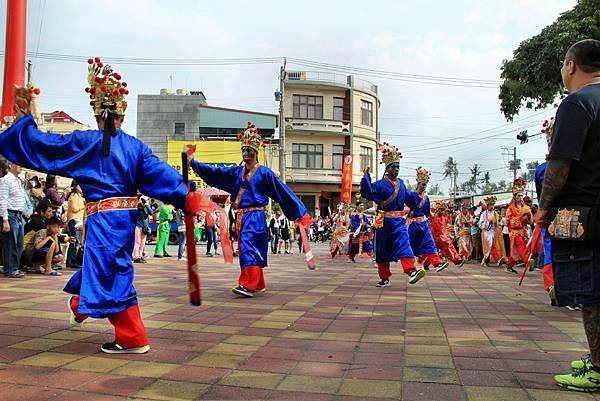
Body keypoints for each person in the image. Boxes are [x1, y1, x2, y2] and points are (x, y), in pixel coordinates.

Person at [0, 58, 194, 354]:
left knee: (112, 271)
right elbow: (164, 177)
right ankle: (80, 305)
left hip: (104, 221)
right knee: (105, 265)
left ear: (97, 112)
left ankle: (132, 337)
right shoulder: (135, 147)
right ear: (122, 115)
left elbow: (43, 147)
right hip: (125, 221)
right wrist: (190, 197)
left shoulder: (86, 141)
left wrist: (25, 118)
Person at [531, 39, 600, 391]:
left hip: (588, 214)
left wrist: (542, 209)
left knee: (592, 294)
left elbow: (560, 164)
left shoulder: (578, 102)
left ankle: (598, 369)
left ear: (571, 65)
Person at [190, 122, 310, 298]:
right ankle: (258, 282)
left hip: (255, 216)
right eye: (243, 151)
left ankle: (248, 284)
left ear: (256, 152)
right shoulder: (236, 172)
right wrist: (194, 163)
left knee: (248, 247)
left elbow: (283, 191)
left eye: (249, 151)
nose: (246, 154)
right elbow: (215, 172)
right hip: (241, 216)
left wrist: (299, 212)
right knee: (249, 247)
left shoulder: (264, 173)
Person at [361, 143, 425, 287]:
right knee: (382, 249)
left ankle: (411, 271)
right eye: (393, 167)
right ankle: (384, 278)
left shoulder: (401, 184)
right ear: (387, 168)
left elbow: (410, 198)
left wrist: (418, 192)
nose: (396, 170)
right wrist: (366, 178)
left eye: (398, 167)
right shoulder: (380, 184)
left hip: (399, 221)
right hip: (384, 221)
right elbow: (369, 192)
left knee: (404, 243)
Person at [406, 167, 448, 272]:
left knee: (430, 243)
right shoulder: (411, 195)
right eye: (422, 184)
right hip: (414, 224)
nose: (424, 186)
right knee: (410, 245)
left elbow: (427, 212)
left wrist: (432, 217)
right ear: (418, 183)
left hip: (424, 224)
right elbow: (406, 206)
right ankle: (410, 266)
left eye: (425, 184)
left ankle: (437, 263)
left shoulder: (426, 198)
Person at [0, 161, 27, 278]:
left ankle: (14, 267)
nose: (20, 166)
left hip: (19, 215)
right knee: (11, 243)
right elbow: (3, 200)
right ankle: (10, 269)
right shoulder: (6, 180)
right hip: (10, 214)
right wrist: (5, 219)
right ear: (10, 166)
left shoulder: (18, 180)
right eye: (18, 164)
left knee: (19, 243)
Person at [504, 179, 534, 274]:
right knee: (521, 247)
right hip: (515, 233)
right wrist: (521, 217)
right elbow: (508, 223)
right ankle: (528, 261)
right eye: (519, 196)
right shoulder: (510, 209)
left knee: (516, 251)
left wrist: (528, 215)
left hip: (524, 231)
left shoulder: (524, 208)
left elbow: (530, 222)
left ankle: (508, 266)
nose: (521, 198)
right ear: (515, 197)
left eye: (522, 196)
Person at [430, 201, 465, 268]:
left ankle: (457, 260)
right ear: (438, 210)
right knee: (431, 251)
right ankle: (425, 264)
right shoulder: (433, 216)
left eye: (443, 210)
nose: (442, 211)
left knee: (449, 246)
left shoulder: (444, 217)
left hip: (441, 237)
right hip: (434, 237)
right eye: (441, 210)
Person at [65, 180, 85, 269]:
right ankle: (70, 261)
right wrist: (83, 206)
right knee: (73, 241)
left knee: (77, 242)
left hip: (80, 221)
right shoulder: (73, 196)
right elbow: (74, 208)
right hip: (73, 221)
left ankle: (74, 260)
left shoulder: (81, 197)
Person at [478, 196, 502, 267]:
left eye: (493, 205)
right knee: (489, 246)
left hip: (493, 232)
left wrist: (498, 221)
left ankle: (492, 260)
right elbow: (480, 224)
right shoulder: (483, 214)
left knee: (493, 245)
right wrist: (488, 223)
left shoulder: (496, 214)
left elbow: (499, 224)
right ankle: (494, 259)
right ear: (487, 206)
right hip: (486, 232)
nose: (492, 206)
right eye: (491, 205)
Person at [133, 196, 152, 263]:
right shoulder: (138, 206)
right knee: (137, 242)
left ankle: (140, 256)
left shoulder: (147, 207)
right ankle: (136, 257)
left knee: (142, 243)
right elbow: (137, 211)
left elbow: (151, 212)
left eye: (146, 200)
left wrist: (147, 205)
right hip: (138, 226)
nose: (145, 201)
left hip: (145, 227)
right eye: (144, 200)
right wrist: (140, 204)